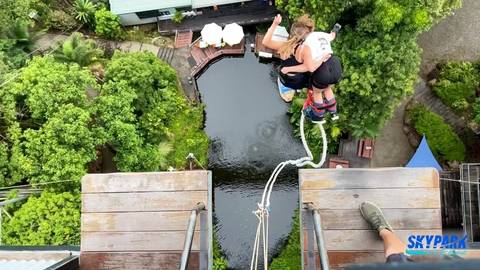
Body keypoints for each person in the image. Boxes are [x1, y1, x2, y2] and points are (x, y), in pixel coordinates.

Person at [281, 25, 342, 122]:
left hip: (322, 72)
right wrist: (335, 29)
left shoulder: (305, 46)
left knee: (317, 92)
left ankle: (319, 115)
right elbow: (332, 36)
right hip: (336, 66)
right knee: (327, 88)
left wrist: (288, 69)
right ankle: (333, 111)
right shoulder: (319, 34)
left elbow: (308, 67)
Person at [262, 14, 317, 102]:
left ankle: (287, 84)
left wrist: (275, 24)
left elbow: (265, 42)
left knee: (285, 71)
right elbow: (309, 67)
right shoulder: (305, 50)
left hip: (286, 79)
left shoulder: (284, 46)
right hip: (300, 81)